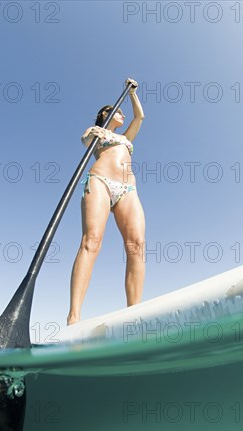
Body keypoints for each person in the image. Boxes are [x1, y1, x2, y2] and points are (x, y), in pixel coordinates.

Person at [67, 78, 145, 326]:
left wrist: (132, 94)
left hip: (127, 189)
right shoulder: (96, 132)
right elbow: (85, 140)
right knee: (91, 241)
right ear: (103, 116)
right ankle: (74, 317)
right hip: (100, 181)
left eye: (121, 110)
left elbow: (139, 118)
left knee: (137, 245)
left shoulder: (126, 137)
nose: (120, 113)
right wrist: (96, 131)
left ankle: (134, 312)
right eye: (114, 111)